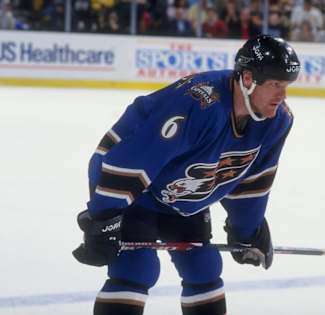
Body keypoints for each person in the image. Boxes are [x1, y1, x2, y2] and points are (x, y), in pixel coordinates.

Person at [72, 34, 301, 315]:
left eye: (286, 85)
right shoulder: (199, 103)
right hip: (132, 188)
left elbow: (251, 182)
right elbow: (131, 160)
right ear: (249, 79)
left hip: (184, 192)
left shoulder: (277, 121)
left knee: (203, 266)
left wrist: (246, 230)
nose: (283, 95)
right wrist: (104, 218)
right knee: (136, 268)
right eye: (276, 84)